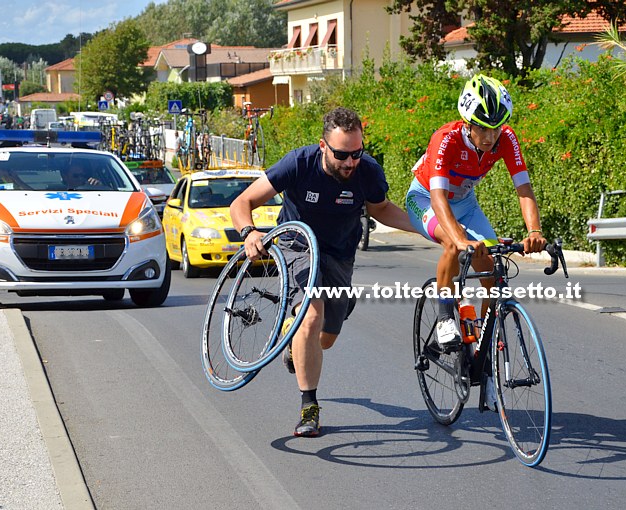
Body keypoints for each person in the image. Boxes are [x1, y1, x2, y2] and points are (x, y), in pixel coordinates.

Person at [231, 107, 415, 437]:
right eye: (342, 154)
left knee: (325, 338)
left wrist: (430, 230)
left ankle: (297, 337)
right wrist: (249, 233)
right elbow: (242, 203)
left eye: (356, 153)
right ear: (323, 146)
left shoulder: (367, 170)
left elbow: (382, 209)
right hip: (296, 245)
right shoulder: (298, 164)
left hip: (340, 253)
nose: (350, 162)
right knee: (311, 316)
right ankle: (309, 406)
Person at [406, 74, 547, 349]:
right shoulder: (445, 139)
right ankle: (446, 316)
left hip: (465, 204)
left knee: (492, 266)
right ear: (468, 124)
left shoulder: (506, 138)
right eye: (482, 128)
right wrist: (459, 239)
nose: (490, 137)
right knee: (451, 242)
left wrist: (535, 231)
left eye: (496, 128)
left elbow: (524, 189)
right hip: (425, 199)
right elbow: (437, 197)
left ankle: (486, 336)